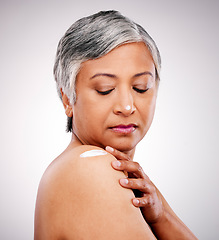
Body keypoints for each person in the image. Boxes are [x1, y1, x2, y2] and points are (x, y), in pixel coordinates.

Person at [34, 10, 197, 239]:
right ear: (68, 98)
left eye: (141, 87)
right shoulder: (90, 168)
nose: (126, 106)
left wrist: (162, 217)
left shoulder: (124, 177)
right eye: (105, 89)